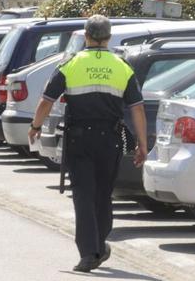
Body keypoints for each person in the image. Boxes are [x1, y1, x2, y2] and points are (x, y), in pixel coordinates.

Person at [28, 15, 148, 273]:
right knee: (103, 195)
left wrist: (36, 127)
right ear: (108, 37)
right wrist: (142, 144)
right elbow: (137, 109)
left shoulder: (70, 64)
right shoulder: (122, 66)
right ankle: (99, 244)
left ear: (86, 36)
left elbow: (46, 101)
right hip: (110, 141)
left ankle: (89, 252)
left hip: (79, 140)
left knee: (83, 195)